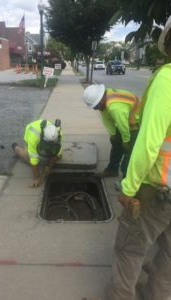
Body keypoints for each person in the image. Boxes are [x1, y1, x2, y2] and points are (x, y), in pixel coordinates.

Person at [103, 15, 171, 300]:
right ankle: (156, 294)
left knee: (129, 250)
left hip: (157, 189)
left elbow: (148, 143)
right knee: (169, 256)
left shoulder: (167, 78)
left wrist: (129, 188)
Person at [83, 84, 140, 179]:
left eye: (95, 105)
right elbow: (106, 118)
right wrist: (113, 134)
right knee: (116, 146)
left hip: (136, 123)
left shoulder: (114, 107)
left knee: (129, 154)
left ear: (100, 99)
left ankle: (126, 181)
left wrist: (126, 140)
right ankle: (112, 170)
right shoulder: (104, 98)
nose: (94, 108)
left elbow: (122, 123)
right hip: (124, 122)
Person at [12, 119, 62, 188]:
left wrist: (49, 166)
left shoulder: (58, 132)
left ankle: (47, 154)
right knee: (29, 159)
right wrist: (37, 178)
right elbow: (34, 160)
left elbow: (58, 151)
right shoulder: (33, 137)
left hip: (43, 139)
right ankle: (16, 148)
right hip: (30, 134)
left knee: (59, 155)